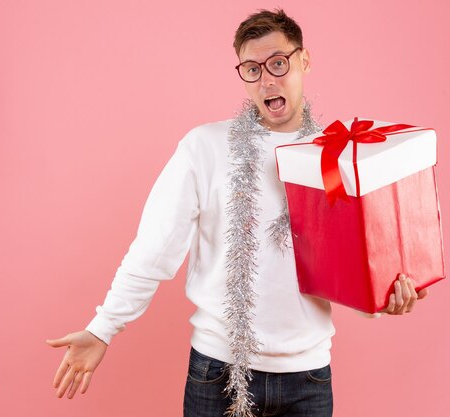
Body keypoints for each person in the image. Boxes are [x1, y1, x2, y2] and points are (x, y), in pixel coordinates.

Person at [46, 9, 429, 417]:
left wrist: (383, 298)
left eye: (278, 63)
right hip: (217, 372)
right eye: (252, 68)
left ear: (305, 60)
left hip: (309, 377)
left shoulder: (336, 155)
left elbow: (345, 268)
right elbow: (154, 250)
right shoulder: (204, 147)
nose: (267, 79)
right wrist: (102, 329)